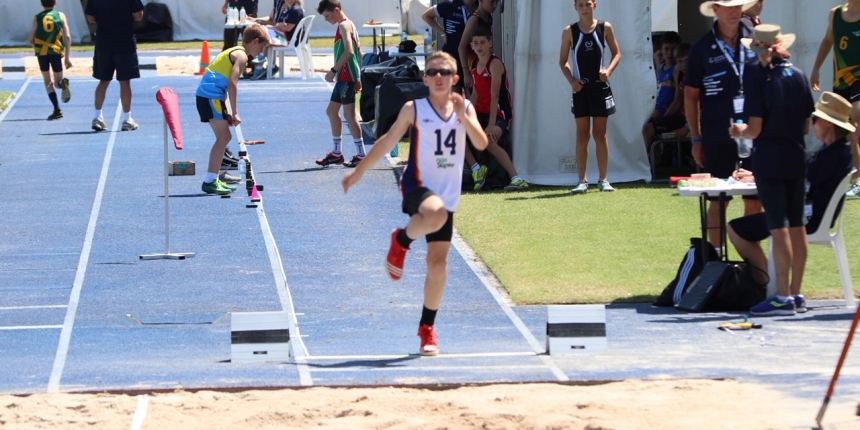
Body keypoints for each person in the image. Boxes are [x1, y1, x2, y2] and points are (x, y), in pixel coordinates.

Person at [341, 51, 488, 356]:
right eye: (433, 72)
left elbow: (481, 143)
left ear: (454, 79)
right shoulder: (415, 108)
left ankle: (426, 328)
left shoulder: (464, 107)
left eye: (444, 72)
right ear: (424, 79)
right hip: (417, 184)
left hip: (448, 192)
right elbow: (386, 141)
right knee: (433, 213)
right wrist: (360, 171)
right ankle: (403, 240)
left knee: (438, 264)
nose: (438, 77)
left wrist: (464, 117)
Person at [728, 91, 855, 315]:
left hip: (809, 218)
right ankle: (776, 289)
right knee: (754, 223)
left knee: (736, 228)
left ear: (827, 123)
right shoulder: (834, 151)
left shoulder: (834, 154)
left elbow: (796, 176)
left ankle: (773, 290)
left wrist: (758, 177)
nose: (812, 124)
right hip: (809, 213)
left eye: (815, 119)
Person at [728, 24, 815, 316]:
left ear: (759, 49)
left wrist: (738, 131)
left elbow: (754, 129)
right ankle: (797, 293)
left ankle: (781, 296)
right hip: (796, 157)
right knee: (797, 226)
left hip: (770, 161)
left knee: (779, 230)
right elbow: (805, 126)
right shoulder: (800, 76)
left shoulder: (758, 79)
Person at [684, 0, 759, 253]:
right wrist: (696, 139)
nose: (733, 11)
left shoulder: (756, 40)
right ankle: (715, 261)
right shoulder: (701, 48)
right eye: (727, 6)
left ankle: (752, 263)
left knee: (753, 198)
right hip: (717, 134)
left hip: (754, 133)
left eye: (737, 6)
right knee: (718, 199)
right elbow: (691, 96)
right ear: (715, 9)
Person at [196, 24, 269, 195]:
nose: (261, 51)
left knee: (223, 137)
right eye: (262, 46)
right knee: (224, 137)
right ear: (255, 41)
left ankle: (214, 177)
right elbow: (232, 84)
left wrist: (227, 111)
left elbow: (223, 83)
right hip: (210, 96)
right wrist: (235, 112)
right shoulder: (242, 56)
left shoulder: (236, 50)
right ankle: (210, 180)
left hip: (208, 96)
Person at [558, 0, 621, 194]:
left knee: (600, 133)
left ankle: (604, 179)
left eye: (587, 4)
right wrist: (572, 82)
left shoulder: (605, 27)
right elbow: (563, 62)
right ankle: (582, 181)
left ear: (595, 5)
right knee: (582, 134)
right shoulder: (569, 31)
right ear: (575, 7)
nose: (584, 8)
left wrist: (608, 71)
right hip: (581, 90)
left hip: (600, 89)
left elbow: (617, 53)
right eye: (580, 5)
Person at [465, 27, 527, 191]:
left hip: (499, 112)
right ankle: (476, 169)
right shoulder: (475, 64)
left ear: (490, 43)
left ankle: (516, 178)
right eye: (476, 43)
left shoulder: (495, 64)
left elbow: (495, 96)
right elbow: (475, 96)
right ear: (471, 45)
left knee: (490, 142)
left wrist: (492, 124)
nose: (479, 46)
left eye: (483, 43)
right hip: (481, 111)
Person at [810, 0, 860, 198]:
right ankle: (857, 179)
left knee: (856, 114)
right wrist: (816, 68)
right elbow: (828, 40)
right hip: (841, 80)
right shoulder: (836, 14)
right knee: (846, 130)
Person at [315, 0, 365, 168]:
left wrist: (333, 70)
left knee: (350, 115)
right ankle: (337, 153)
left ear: (336, 10)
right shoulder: (348, 24)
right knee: (331, 111)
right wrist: (358, 78)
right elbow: (360, 52)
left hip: (345, 76)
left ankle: (361, 154)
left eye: (328, 16)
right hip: (347, 77)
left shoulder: (344, 26)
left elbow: (350, 51)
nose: (327, 19)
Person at [85, 0, 144, 132]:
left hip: (104, 41)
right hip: (124, 41)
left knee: (103, 80)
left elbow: (90, 18)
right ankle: (127, 119)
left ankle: (97, 116)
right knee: (125, 82)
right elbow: (139, 16)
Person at [28, 0, 73, 121]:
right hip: (56, 52)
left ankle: (57, 109)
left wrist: (36, 49)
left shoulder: (37, 17)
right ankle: (62, 84)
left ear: (41, 3)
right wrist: (67, 58)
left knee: (48, 82)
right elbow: (67, 36)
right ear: (55, 3)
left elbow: (31, 38)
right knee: (58, 83)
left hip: (42, 52)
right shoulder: (60, 15)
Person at [421, 0, 478, 92]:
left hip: (472, 57)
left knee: (472, 99)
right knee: (454, 97)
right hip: (452, 56)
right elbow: (426, 15)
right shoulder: (450, 4)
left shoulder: (480, 6)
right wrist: (442, 32)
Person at [642, 34, 685, 153]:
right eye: (666, 49)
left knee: (646, 127)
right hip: (657, 107)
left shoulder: (677, 69)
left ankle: (643, 162)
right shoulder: (661, 67)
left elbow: (678, 100)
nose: (669, 53)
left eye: (673, 49)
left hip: (666, 111)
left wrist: (665, 118)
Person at [458, 0, 498, 93]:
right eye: (492, 2)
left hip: (484, 65)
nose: (495, 5)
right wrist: (466, 72)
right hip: (473, 67)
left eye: (497, 2)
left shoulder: (488, 17)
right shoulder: (474, 19)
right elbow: (462, 46)